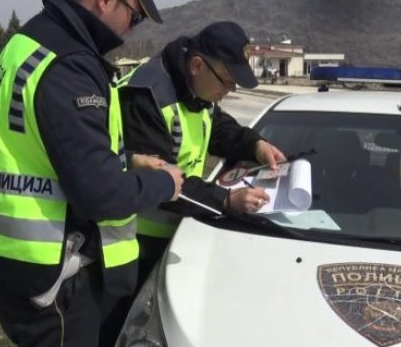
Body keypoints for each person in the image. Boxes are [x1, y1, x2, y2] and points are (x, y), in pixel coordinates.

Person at [0, 0, 184, 347]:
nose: (130, 28)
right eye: (134, 14)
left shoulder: (28, 42)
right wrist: (162, 183)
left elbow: (45, 144)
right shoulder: (71, 65)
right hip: (54, 275)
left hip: (10, 258)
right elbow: (101, 195)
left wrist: (126, 159)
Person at [117, 21, 287, 286]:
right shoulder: (146, 96)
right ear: (197, 65)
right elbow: (160, 182)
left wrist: (255, 145)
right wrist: (226, 200)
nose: (230, 90)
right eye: (227, 81)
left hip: (181, 226)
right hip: (136, 242)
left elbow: (218, 128)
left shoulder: (196, 90)